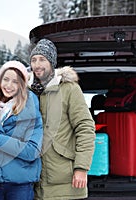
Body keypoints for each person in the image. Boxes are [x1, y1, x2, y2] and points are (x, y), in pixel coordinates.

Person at [28, 38, 95, 200]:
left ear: (52, 62)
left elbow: (85, 128)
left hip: (65, 180)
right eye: (33, 60)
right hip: (35, 181)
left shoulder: (69, 89)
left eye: (42, 59)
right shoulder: (28, 91)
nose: (37, 64)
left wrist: (81, 168)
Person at [0, 60, 43, 200]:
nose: (9, 85)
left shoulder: (31, 109)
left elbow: (32, 151)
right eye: (6, 79)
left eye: (15, 82)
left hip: (20, 184)